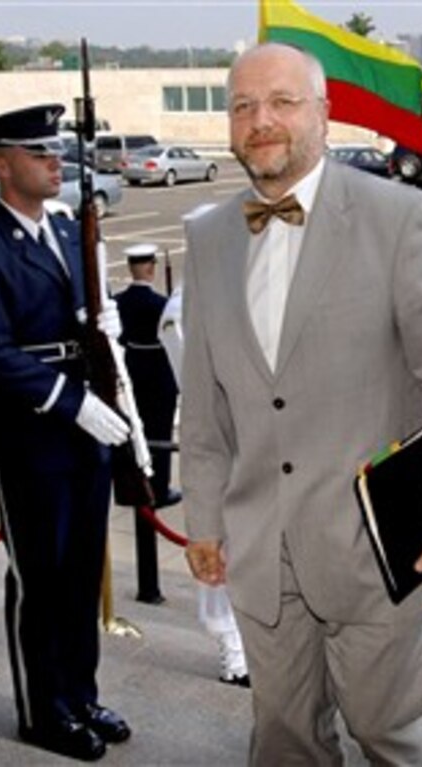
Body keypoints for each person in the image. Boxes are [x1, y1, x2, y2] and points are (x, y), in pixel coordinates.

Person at [179, 43, 422, 765]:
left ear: (324, 114)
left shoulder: (401, 218)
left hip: (377, 546)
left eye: (282, 102)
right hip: (261, 551)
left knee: (388, 738)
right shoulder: (205, 236)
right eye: (243, 106)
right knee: (284, 741)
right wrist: (203, 517)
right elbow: (202, 401)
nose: (262, 121)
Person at [0, 104, 132, 762]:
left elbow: (90, 327)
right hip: (28, 438)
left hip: (85, 435)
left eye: (55, 149)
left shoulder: (68, 233)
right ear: (0, 163)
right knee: (42, 579)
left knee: (81, 576)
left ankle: (79, 694)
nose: (55, 160)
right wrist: (68, 399)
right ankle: (43, 711)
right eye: (37, 150)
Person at [158, 284, 250, 688]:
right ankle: (233, 650)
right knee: (224, 550)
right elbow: (190, 375)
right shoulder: (184, 305)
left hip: (271, 442)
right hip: (225, 443)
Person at [114, 243, 181, 508]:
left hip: (132, 367)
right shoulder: (161, 304)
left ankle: (131, 485)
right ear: (151, 268)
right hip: (158, 369)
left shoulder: (119, 302)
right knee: (160, 431)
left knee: (134, 430)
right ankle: (159, 489)